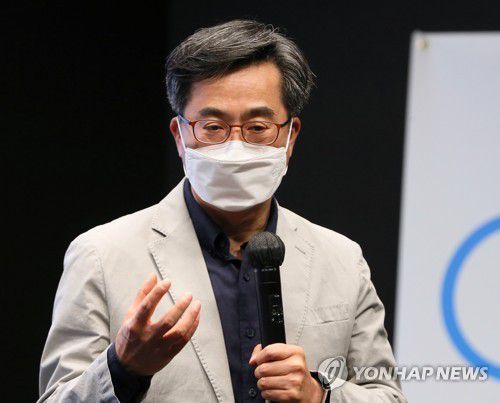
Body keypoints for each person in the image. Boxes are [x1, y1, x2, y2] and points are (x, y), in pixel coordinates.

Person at [38, 19, 407, 403]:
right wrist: (122, 369)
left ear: (290, 136)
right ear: (180, 136)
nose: (235, 146)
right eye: (212, 127)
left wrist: (320, 395)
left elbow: (387, 396)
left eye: (258, 127)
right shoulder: (101, 255)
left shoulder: (341, 260)